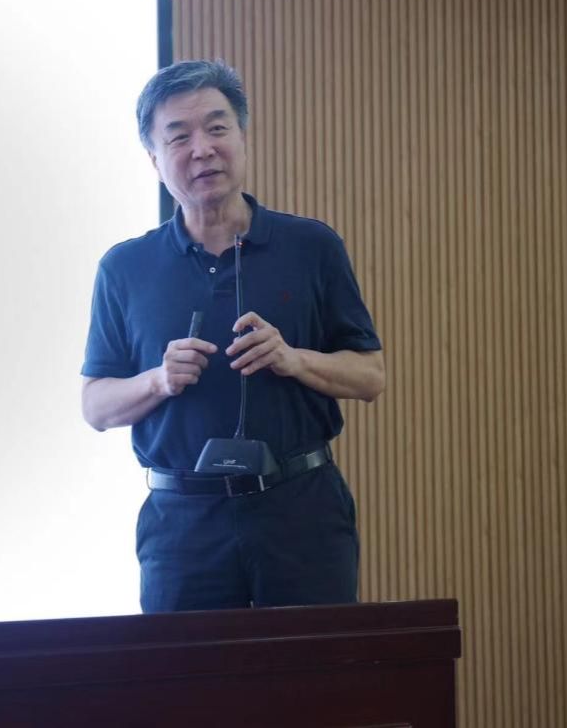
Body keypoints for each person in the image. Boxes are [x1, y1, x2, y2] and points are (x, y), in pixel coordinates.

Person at [81, 59, 384, 613]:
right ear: (154, 159)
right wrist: (158, 380)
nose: (203, 149)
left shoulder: (312, 246)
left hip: (300, 514)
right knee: (187, 671)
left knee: (318, 666)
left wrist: (294, 359)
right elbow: (96, 407)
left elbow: (370, 376)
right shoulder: (125, 267)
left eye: (217, 128)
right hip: (183, 527)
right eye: (179, 136)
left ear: (242, 137)